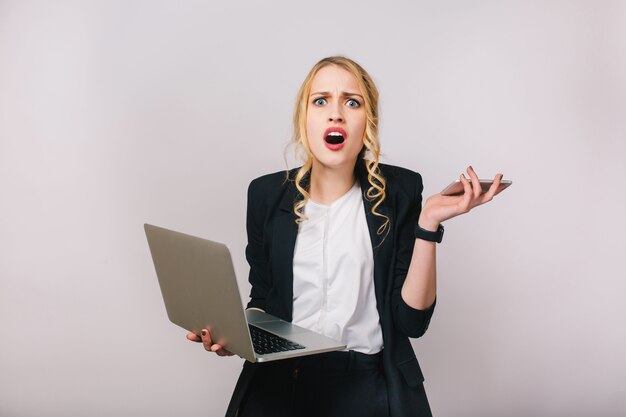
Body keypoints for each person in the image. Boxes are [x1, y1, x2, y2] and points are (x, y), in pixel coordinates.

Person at [186, 56, 504, 417]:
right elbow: (262, 297)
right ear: (303, 118)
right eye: (320, 101)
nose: (335, 113)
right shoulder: (264, 194)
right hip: (276, 384)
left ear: (367, 121)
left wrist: (427, 224)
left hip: (366, 387)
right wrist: (235, 336)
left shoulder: (400, 191)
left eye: (351, 102)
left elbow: (412, 322)